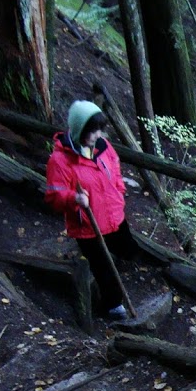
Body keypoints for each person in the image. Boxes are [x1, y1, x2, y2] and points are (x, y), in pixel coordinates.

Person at [45, 100, 136, 320]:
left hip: (114, 215)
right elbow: (53, 197)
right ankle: (113, 307)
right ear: (79, 130)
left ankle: (120, 270)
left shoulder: (103, 147)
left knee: (128, 250)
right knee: (103, 268)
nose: (98, 135)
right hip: (88, 224)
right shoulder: (60, 160)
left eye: (99, 130)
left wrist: (119, 190)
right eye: (92, 131)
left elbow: (114, 166)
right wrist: (74, 198)